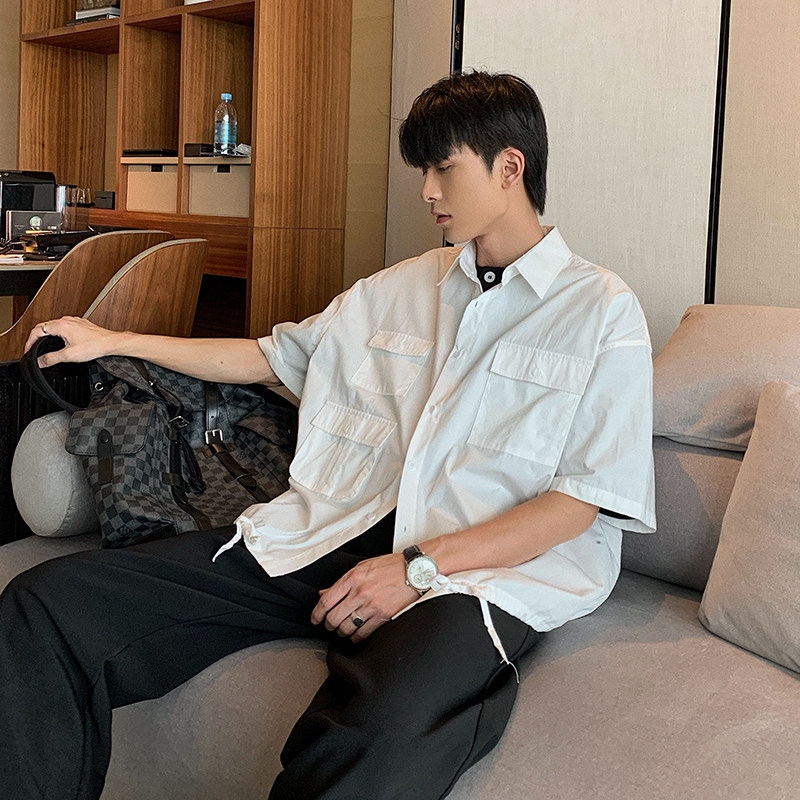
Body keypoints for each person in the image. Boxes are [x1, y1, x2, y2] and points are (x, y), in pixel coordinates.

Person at [0, 71, 655, 800]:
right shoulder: (403, 287)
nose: (427, 191)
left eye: (444, 168)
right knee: (45, 605)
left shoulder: (600, 310)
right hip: (339, 530)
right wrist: (113, 339)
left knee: (381, 733)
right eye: (424, 171)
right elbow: (270, 357)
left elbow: (578, 503)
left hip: (476, 572)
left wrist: (415, 569)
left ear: (509, 167)